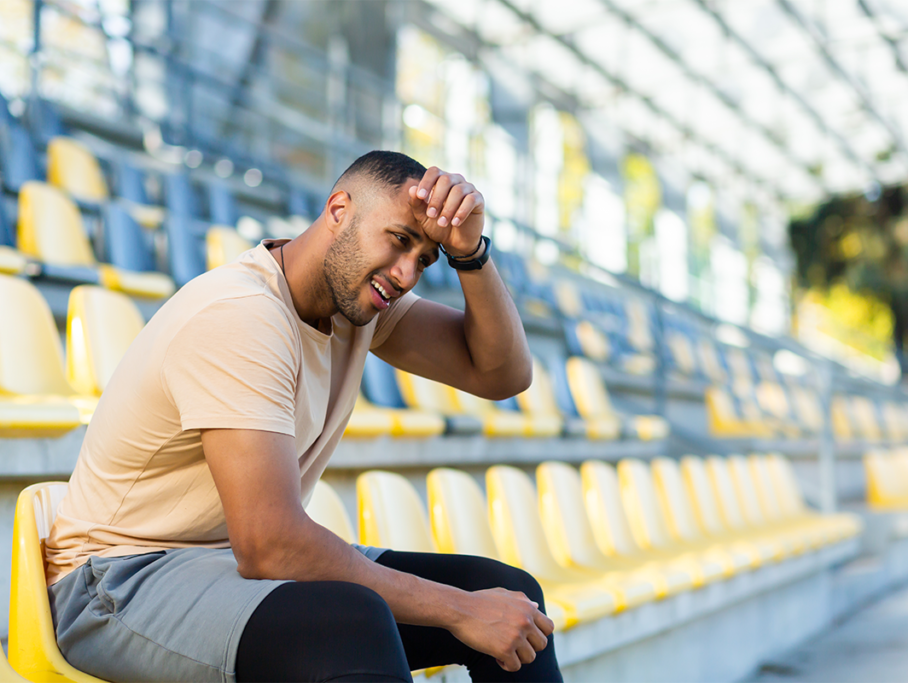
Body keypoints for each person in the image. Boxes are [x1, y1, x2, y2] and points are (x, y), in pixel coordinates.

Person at [45, 151, 562, 683]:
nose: (408, 273)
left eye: (427, 260)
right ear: (339, 209)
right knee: (351, 627)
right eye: (400, 240)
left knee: (506, 595)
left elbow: (501, 375)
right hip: (117, 583)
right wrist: (459, 611)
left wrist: (470, 254)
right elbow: (270, 544)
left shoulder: (358, 305)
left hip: (225, 565)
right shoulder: (241, 314)